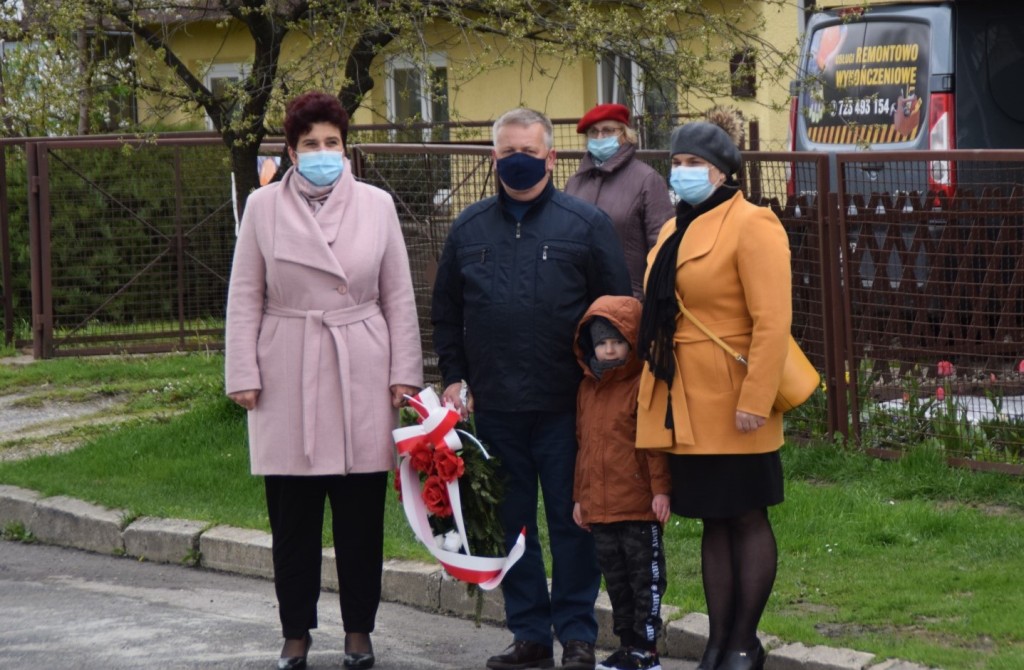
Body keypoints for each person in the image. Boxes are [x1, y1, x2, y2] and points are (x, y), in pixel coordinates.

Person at [225, 91, 423, 670]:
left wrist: (404, 373)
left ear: (346, 148)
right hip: (287, 369)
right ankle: (295, 633)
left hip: (362, 365)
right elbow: (245, 293)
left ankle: (359, 630)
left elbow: (398, 294)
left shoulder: (377, 205)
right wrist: (243, 372)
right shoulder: (262, 207)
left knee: (361, 518)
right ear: (290, 151)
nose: (321, 152)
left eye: (331, 142)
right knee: (293, 520)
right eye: (309, 143)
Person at [431, 107, 632, 670]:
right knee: (512, 526)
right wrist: (454, 376)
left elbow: (617, 310)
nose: (518, 160)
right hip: (496, 409)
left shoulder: (585, 225)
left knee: (574, 524)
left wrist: (607, 379)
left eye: (529, 151)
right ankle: (530, 636)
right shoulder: (469, 229)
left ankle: (577, 635)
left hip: (569, 407)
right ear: (493, 158)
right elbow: (446, 312)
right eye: (508, 152)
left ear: (551, 157)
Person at [635, 108, 791, 670]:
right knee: (713, 518)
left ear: (723, 170)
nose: (681, 171)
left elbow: (772, 320)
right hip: (685, 402)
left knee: (746, 515)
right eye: (675, 161)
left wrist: (756, 399)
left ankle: (745, 642)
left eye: (693, 162)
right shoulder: (673, 228)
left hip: (735, 398)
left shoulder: (754, 223)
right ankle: (718, 642)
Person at [571, 295, 671, 670]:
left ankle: (647, 650)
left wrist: (660, 491)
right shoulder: (587, 389)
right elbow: (583, 447)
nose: (610, 350)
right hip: (601, 510)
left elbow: (654, 445)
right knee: (616, 583)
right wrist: (581, 498)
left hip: (638, 507)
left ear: (633, 341)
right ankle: (628, 646)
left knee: (645, 581)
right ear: (591, 346)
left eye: (617, 341)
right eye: (602, 343)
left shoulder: (641, 384)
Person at [565, 104, 675, 301]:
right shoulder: (575, 182)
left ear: (625, 135)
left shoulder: (647, 179)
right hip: (578, 297)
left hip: (628, 300)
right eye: (593, 132)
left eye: (608, 130)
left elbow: (662, 246)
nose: (600, 137)